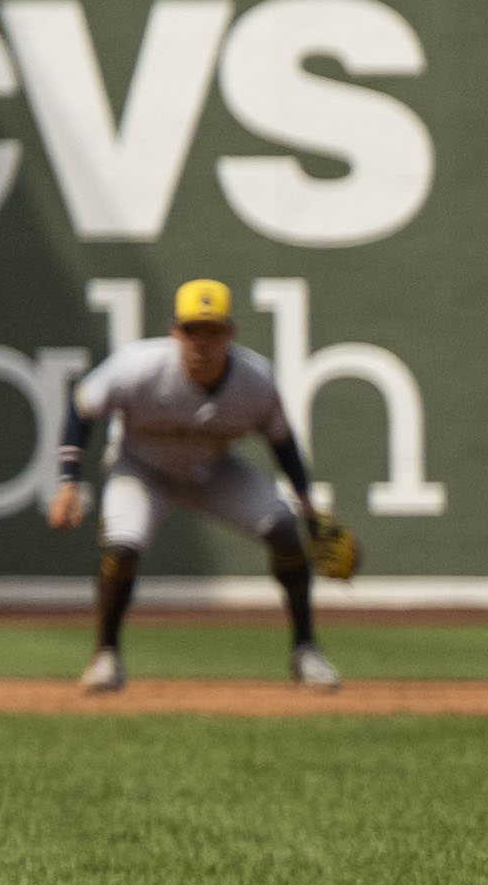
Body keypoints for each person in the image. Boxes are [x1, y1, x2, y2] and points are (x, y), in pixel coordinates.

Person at [45, 276, 342, 698]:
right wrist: (67, 482)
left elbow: (282, 441)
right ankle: (106, 655)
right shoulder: (138, 366)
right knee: (122, 548)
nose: (202, 342)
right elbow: (83, 407)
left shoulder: (254, 379)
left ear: (231, 334)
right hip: (141, 468)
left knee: (284, 532)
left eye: (213, 331)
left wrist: (308, 504)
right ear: (174, 333)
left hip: (213, 470)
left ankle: (306, 651)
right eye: (192, 331)